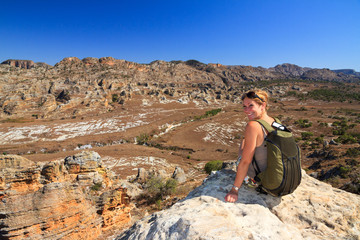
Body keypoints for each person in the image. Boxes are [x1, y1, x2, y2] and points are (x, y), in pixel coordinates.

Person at [225, 90, 274, 203]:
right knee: (245, 142)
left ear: (263, 105)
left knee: (242, 150)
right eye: (244, 106)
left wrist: (235, 190)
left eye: (251, 105)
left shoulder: (253, 126)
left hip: (261, 181)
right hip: (275, 177)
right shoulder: (275, 122)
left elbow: (245, 162)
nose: (246, 110)